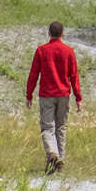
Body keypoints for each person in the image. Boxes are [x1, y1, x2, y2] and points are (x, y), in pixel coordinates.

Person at [25, 21, 81, 174]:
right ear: (62, 33)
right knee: (61, 128)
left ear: (49, 33)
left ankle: (52, 154)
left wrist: (29, 94)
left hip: (47, 95)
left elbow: (34, 74)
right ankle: (59, 162)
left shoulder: (41, 51)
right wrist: (78, 97)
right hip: (63, 94)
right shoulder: (68, 51)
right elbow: (74, 76)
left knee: (47, 128)